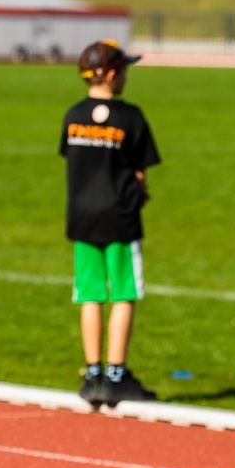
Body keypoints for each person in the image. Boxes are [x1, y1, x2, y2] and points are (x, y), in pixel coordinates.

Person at [60, 38, 162, 408]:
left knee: (88, 293)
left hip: (82, 217)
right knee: (123, 292)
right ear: (113, 74)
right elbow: (138, 174)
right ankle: (116, 372)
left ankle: (92, 373)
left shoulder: (73, 115)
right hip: (119, 217)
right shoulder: (129, 117)